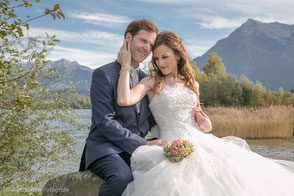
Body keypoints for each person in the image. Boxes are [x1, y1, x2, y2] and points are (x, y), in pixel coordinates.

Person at [117, 30, 294, 196]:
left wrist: (207, 124)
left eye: (165, 57)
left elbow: (201, 118)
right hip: (171, 146)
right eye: (156, 59)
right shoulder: (152, 82)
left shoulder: (192, 83)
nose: (160, 63)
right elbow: (124, 100)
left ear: (178, 56)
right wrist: (125, 66)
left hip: (202, 142)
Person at [79, 19, 170, 196]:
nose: (147, 48)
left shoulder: (146, 79)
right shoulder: (103, 74)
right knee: (121, 176)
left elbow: (152, 118)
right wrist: (144, 143)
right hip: (106, 148)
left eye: (151, 44)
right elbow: (104, 121)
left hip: (138, 148)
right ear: (128, 38)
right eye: (143, 41)